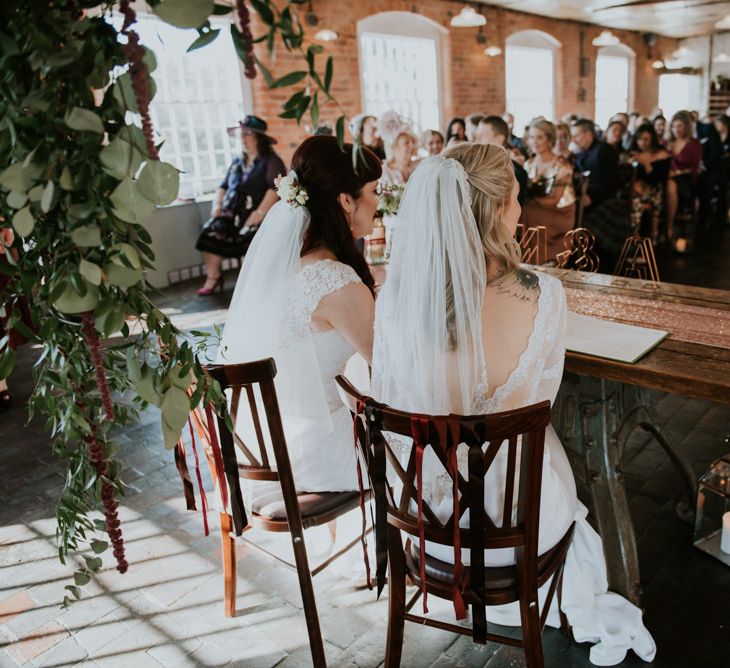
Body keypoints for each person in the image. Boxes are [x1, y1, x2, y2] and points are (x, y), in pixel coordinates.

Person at [370, 143, 656, 667]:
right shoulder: (541, 293)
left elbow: (388, 396)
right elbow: (543, 403)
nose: (521, 208)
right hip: (516, 530)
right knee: (548, 450)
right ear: (499, 209)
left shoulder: (393, 298)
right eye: (518, 197)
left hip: (426, 525)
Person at [216, 135, 380, 494]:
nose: (378, 202)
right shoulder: (333, 279)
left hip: (272, 443)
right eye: (374, 190)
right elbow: (389, 363)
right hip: (314, 451)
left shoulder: (293, 265)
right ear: (346, 201)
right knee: (437, 456)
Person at [195, 116, 285, 296]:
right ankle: (213, 277)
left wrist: (259, 213)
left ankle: (250, 286)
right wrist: (217, 205)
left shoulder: (271, 161)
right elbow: (223, 186)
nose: (242, 139)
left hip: (257, 214)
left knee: (249, 241)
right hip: (231, 213)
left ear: (258, 137)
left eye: (247, 135)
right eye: (241, 135)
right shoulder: (237, 161)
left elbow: (275, 188)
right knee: (210, 233)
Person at [571, 118, 622, 268]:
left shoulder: (605, 150)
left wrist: (592, 197)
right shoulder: (580, 153)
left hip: (604, 201)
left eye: (577, 135)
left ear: (588, 135)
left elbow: (613, 184)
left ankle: (589, 261)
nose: (574, 139)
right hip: (583, 198)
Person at [522, 119, 576, 260]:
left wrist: (531, 202)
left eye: (540, 137)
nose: (535, 142)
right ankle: (521, 258)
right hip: (537, 208)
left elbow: (555, 199)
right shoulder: (529, 164)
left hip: (560, 212)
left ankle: (535, 260)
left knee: (528, 213)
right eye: (532, 137)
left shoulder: (561, 164)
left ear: (550, 139)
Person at [627, 124, 672, 242]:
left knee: (635, 200)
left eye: (646, 139)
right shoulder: (634, 153)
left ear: (652, 139)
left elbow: (658, 179)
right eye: (639, 139)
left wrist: (646, 164)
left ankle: (641, 236)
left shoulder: (661, 154)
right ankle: (632, 235)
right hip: (636, 188)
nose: (642, 143)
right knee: (632, 196)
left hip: (654, 189)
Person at [666, 110, 702, 252]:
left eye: (680, 126)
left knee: (674, 184)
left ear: (686, 126)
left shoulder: (694, 143)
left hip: (686, 178)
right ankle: (669, 225)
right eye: (674, 126)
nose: (676, 129)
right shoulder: (667, 142)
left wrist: (679, 171)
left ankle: (672, 226)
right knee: (670, 184)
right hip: (668, 176)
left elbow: (696, 167)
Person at [475, 116, 528, 205]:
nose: (476, 142)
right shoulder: (475, 165)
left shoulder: (515, 172)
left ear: (499, 139)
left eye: (481, 137)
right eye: (476, 137)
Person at [378, 111, 419, 186]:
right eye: (406, 143)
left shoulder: (419, 166)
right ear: (394, 147)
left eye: (413, 142)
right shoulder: (384, 173)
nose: (412, 146)